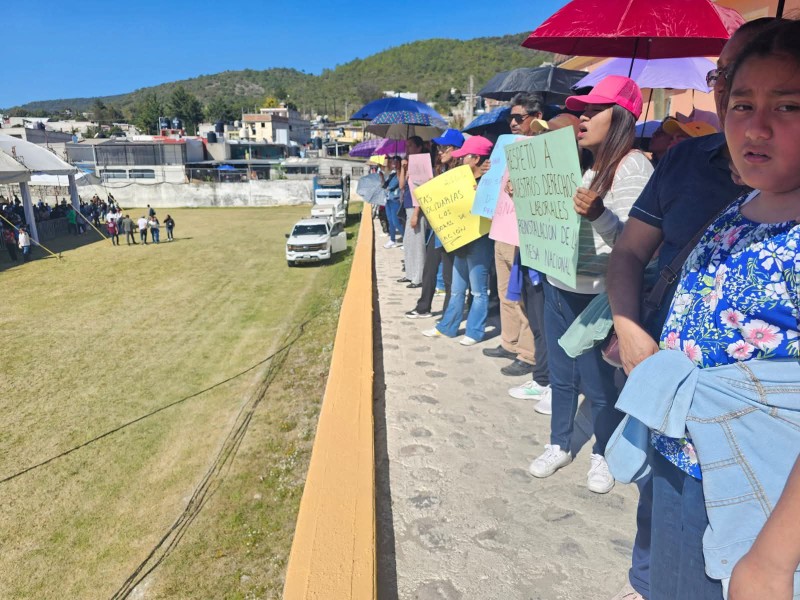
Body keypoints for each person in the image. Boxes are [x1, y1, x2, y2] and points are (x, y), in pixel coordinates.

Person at [605, 18, 774, 600]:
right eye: (728, 79)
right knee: (661, 526)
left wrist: (775, 561)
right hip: (673, 418)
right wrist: (629, 329)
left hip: (760, 464)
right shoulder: (688, 167)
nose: (749, 110)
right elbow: (630, 253)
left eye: (787, 101)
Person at [638, 19, 800, 600]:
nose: (757, 126)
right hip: (688, 463)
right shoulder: (748, 204)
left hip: (765, 494)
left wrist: (776, 562)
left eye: (788, 106)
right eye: (741, 103)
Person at [527, 76, 653, 496]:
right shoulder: (582, 166)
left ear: (620, 118)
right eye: (581, 110)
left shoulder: (633, 166)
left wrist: (598, 212)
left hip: (599, 294)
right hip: (558, 283)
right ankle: (559, 443)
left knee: (600, 385)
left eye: (592, 110)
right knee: (561, 378)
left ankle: (602, 450)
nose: (582, 117)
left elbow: (637, 244)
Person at [483, 92, 544, 377]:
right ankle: (509, 341)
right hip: (502, 229)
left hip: (523, 235)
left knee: (522, 297)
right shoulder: (508, 147)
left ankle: (528, 353)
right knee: (505, 292)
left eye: (519, 118)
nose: (513, 124)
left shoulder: (543, 148)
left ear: (537, 118)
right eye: (511, 118)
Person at [423, 135, 495, 346]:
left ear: (475, 158)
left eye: (464, 156)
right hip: (460, 240)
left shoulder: (489, 180)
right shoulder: (459, 178)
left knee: (478, 290)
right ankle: (447, 327)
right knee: (456, 288)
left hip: (480, 239)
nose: (460, 160)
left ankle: (474, 331)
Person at [406, 129, 463, 319]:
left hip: (454, 229)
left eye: (444, 148)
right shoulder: (441, 169)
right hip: (437, 228)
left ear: (456, 149)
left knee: (449, 276)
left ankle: (448, 316)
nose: (440, 151)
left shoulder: (462, 173)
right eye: (439, 148)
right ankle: (423, 307)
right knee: (429, 269)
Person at [398, 136, 427, 288]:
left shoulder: (421, 164)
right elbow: (402, 186)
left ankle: (418, 277)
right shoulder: (409, 165)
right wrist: (403, 169)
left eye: (410, 146)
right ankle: (410, 273)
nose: (407, 149)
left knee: (417, 244)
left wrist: (416, 213)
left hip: (416, 208)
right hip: (408, 205)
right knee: (408, 242)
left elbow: (421, 190)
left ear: (419, 148)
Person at [382, 157, 403, 249]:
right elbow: (384, 185)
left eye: (396, 162)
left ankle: (406, 240)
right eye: (393, 162)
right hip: (388, 200)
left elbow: (394, 186)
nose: (394, 164)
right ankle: (392, 240)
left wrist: (400, 170)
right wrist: (381, 177)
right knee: (390, 221)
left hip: (396, 200)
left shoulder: (401, 174)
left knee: (396, 222)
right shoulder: (392, 175)